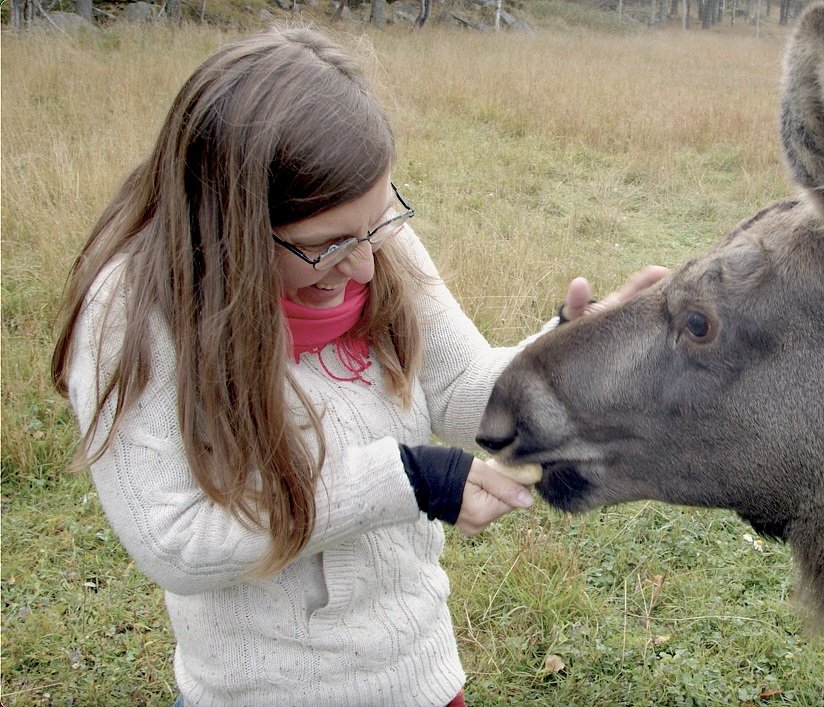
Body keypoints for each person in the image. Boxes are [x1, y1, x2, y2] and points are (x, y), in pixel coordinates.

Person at [50, 27, 666, 706]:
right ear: (228, 222)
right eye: (327, 245)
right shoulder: (134, 315)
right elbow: (175, 539)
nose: (365, 265)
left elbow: (464, 389)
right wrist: (401, 478)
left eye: (376, 226)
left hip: (419, 676)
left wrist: (572, 357)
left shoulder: (374, 241)